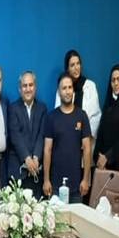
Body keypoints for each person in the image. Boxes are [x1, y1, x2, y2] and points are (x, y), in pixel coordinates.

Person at [43, 73, 92, 203]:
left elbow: (87, 149)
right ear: (59, 92)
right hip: (54, 185)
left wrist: (86, 179)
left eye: (70, 87)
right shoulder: (51, 117)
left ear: (73, 90)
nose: (67, 91)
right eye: (64, 88)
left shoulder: (82, 116)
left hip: (77, 186)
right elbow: (47, 149)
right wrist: (46, 180)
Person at [7, 71, 47, 197]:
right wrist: (27, 158)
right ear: (20, 89)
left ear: (35, 87)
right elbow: (15, 136)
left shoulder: (42, 108)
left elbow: (42, 135)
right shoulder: (13, 108)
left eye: (31, 85)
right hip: (18, 171)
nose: (28, 89)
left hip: (36, 170)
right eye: (24, 86)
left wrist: (36, 157)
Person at [56, 50, 101, 139]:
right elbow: (58, 114)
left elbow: (96, 115)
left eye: (78, 63)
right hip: (66, 137)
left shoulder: (90, 86)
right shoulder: (63, 87)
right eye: (72, 65)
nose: (76, 68)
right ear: (67, 68)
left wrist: (87, 137)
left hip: (86, 138)